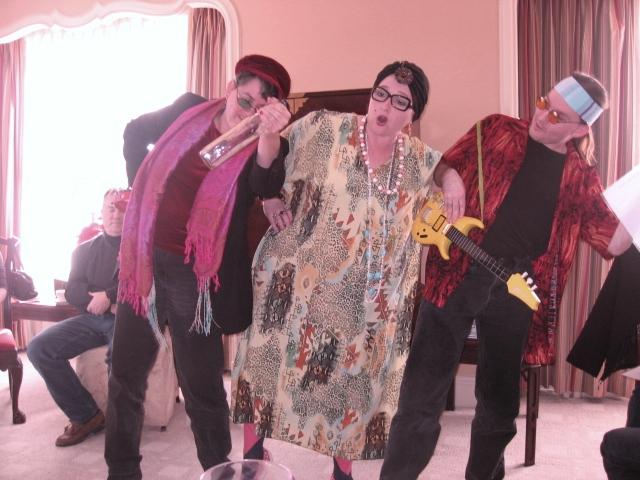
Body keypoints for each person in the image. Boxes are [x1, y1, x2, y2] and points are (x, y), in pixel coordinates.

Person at [381, 72, 627, 480]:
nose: (541, 116)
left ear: (580, 130)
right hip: (457, 269)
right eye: (544, 102)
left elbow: (613, 241)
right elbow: (439, 165)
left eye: (557, 116)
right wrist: (451, 178)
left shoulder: (579, 175)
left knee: (499, 404)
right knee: (421, 393)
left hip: (518, 285)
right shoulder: (496, 129)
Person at [229, 61, 464, 480]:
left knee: (350, 386)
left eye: (400, 102)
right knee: (266, 367)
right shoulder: (324, 128)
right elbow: (270, 161)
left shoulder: (415, 158)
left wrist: (452, 180)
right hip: (294, 281)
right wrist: (267, 195)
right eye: (381, 94)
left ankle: (342, 471)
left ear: (412, 115)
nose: (385, 107)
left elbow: (441, 165)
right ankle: (252, 455)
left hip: (364, 302)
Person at [104, 54, 292, 480]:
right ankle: (122, 471)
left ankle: (217, 471)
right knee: (126, 375)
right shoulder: (189, 107)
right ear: (230, 88)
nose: (247, 112)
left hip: (195, 275)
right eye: (244, 100)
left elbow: (265, 183)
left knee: (202, 386)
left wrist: (267, 134)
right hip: (144, 260)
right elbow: (135, 132)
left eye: (260, 108)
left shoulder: (267, 142)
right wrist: (141, 186)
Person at [26, 188, 126, 447]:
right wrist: (104, 302)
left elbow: (146, 283)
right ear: (102, 212)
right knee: (39, 348)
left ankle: (123, 424)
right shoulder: (83, 251)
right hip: (92, 319)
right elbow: (72, 290)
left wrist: (109, 295)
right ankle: (87, 416)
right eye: (110, 208)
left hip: (128, 318)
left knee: (120, 354)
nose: (116, 214)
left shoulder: (140, 246)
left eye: (121, 208)